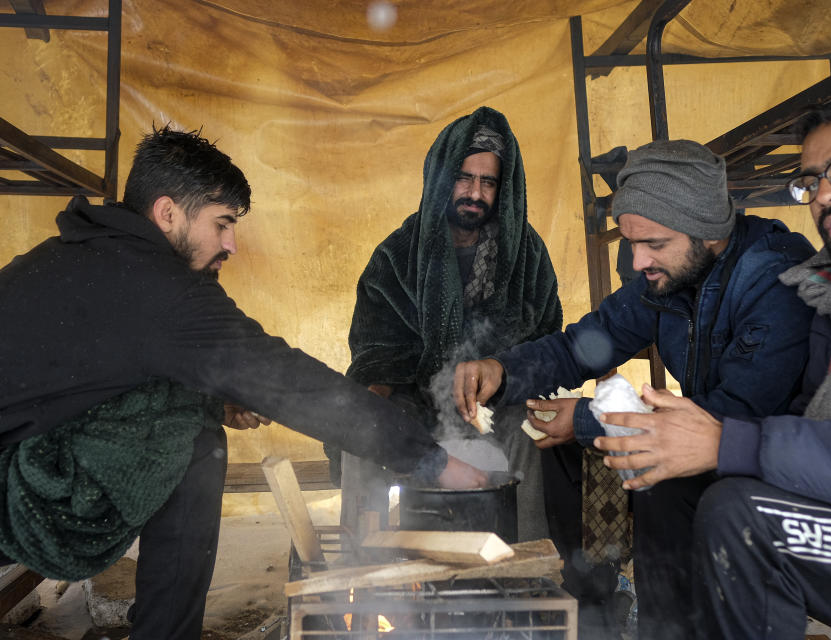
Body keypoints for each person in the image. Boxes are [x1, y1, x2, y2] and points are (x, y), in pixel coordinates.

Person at [0, 125, 485, 640]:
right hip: (14, 492)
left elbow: (98, 376)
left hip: (23, 447)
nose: (230, 244)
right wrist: (429, 458)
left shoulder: (77, 251)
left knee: (194, 405)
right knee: (194, 438)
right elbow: (288, 381)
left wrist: (216, 392)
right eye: (222, 224)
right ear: (167, 213)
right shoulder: (166, 293)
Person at [593, 94, 831, 640]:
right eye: (812, 182)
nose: (825, 195)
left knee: (743, 517)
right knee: (668, 485)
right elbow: (811, 419)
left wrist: (729, 442)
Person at [453, 139, 816, 637]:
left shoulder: (773, 280)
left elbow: (734, 415)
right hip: (711, 441)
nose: (639, 260)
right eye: (631, 242)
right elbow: (582, 345)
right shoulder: (667, 276)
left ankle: (671, 628)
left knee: (661, 480)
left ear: (708, 232)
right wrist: (502, 369)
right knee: (566, 453)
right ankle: (596, 609)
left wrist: (584, 418)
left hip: (777, 464)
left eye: (655, 244)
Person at [327, 105, 563, 542]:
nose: (474, 192)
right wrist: (374, 399)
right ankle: (362, 568)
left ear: (503, 187)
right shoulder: (397, 254)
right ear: (441, 178)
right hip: (413, 402)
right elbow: (375, 349)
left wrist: (502, 377)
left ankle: (534, 566)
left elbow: (546, 342)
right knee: (362, 428)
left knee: (530, 431)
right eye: (464, 177)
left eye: (488, 181)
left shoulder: (527, 255)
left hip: (498, 403)